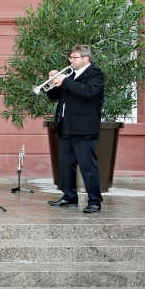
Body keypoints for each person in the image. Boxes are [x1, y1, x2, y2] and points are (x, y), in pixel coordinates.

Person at [46, 44, 106, 214]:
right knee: (66, 165)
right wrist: (53, 82)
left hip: (85, 128)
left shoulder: (95, 74)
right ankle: (69, 196)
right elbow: (54, 97)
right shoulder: (71, 76)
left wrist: (65, 81)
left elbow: (88, 93)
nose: (71, 60)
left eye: (74, 57)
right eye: (70, 57)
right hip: (67, 127)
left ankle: (95, 201)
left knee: (88, 166)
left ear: (86, 58)